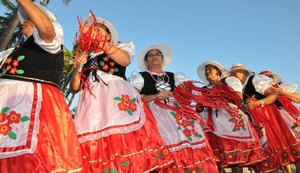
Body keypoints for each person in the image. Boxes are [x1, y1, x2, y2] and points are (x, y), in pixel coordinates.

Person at [70, 16, 174, 172]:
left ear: (108, 36)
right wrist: (78, 67)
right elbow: (75, 87)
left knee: (123, 134)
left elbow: (124, 60)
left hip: (114, 94)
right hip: (92, 101)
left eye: (98, 30)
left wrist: (99, 43)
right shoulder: (85, 56)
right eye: (92, 30)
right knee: (98, 137)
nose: (94, 32)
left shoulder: (120, 47)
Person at [0, 1, 83, 172]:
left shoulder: (50, 44)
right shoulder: (12, 52)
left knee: (30, 162)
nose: (26, 21)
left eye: (31, 18)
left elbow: (46, 29)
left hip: (32, 107)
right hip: (6, 107)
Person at [129, 45, 219, 173]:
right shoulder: (140, 77)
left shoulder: (175, 76)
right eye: (150, 55)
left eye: (157, 54)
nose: (155, 56)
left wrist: (184, 94)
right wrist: (156, 96)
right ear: (146, 61)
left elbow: (187, 96)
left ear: (162, 58)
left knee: (188, 141)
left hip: (178, 114)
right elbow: (135, 100)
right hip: (155, 115)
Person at [193, 61, 265, 173]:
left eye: (210, 69)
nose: (207, 72)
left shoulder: (228, 81)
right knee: (216, 158)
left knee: (235, 156)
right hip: (211, 124)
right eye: (206, 70)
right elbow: (198, 107)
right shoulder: (203, 88)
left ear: (218, 71)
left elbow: (238, 97)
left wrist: (217, 100)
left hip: (228, 120)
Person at [229, 63, 297, 173]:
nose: (233, 76)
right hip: (256, 125)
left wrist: (258, 103)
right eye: (231, 74)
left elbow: (275, 95)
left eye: (235, 72)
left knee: (272, 156)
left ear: (244, 72)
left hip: (268, 122)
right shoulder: (240, 89)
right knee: (266, 160)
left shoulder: (254, 80)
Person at [259, 70, 300, 173]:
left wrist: (284, 92)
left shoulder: (282, 87)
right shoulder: (258, 90)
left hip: (287, 117)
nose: (266, 80)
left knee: (297, 149)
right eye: (264, 78)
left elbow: (298, 99)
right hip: (268, 118)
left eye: (268, 77)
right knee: (274, 152)